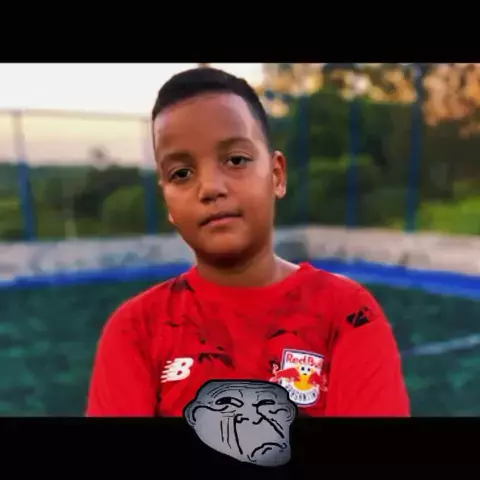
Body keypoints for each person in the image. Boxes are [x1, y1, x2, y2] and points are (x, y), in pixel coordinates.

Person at [86, 67, 410, 417]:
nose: (211, 188)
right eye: (181, 173)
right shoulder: (135, 330)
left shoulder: (348, 314)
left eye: (236, 160)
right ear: (167, 202)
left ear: (277, 176)